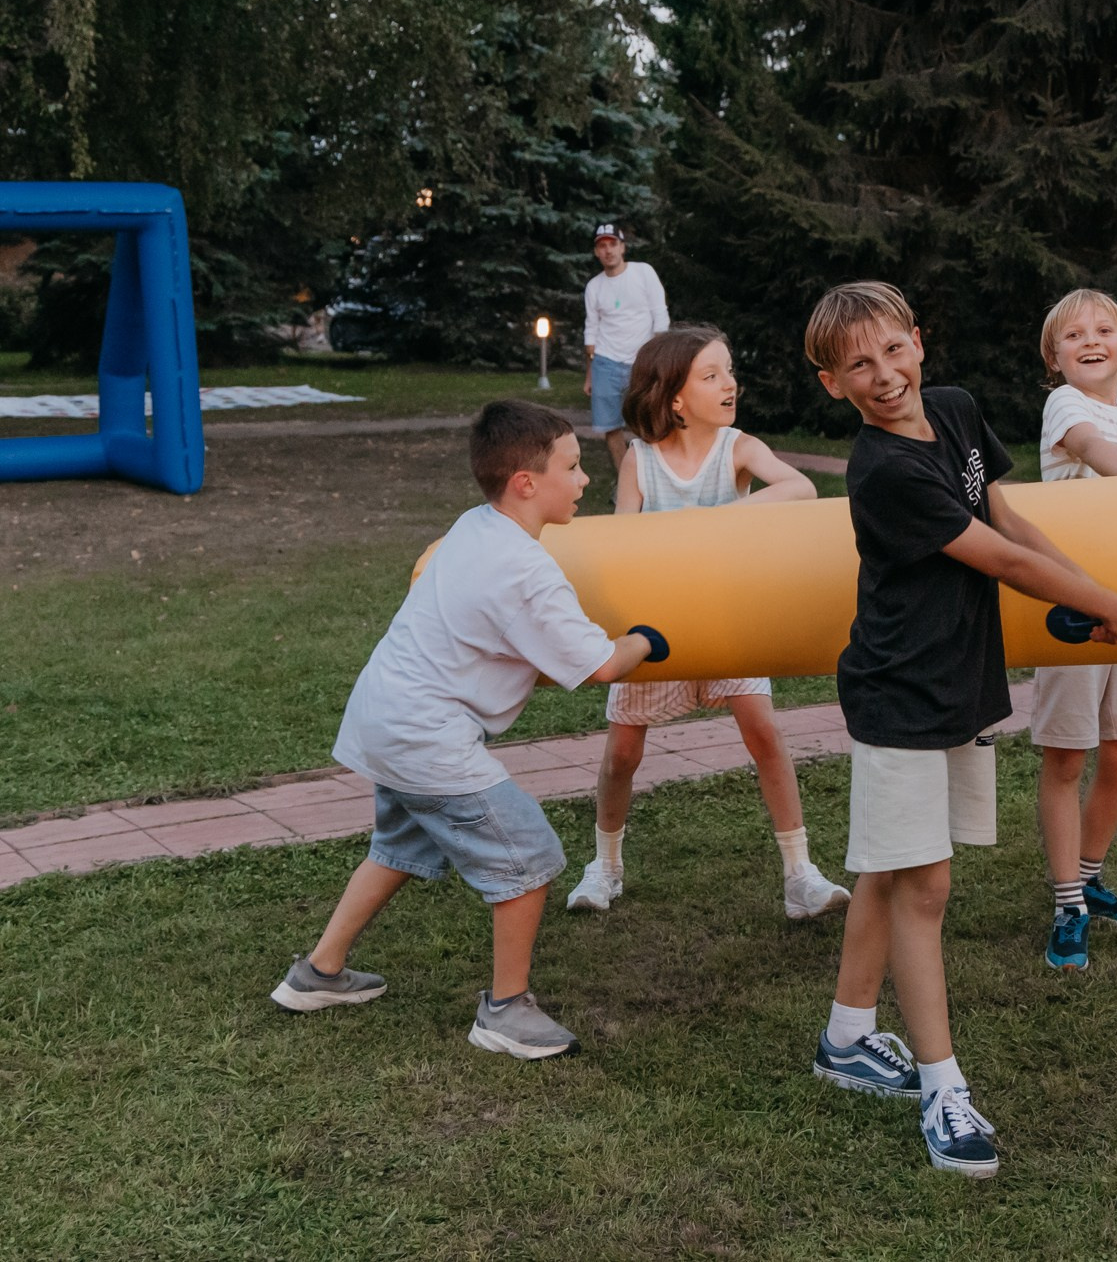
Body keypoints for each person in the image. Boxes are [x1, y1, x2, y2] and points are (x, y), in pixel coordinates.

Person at [802, 281, 1117, 1178]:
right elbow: (992, 556)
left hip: (958, 684)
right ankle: (942, 1086)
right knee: (924, 885)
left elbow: (1010, 516)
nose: (884, 375)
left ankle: (847, 1038)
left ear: (918, 341)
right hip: (900, 696)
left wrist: (1088, 597)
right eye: (858, 366)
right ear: (831, 384)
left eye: (893, 351)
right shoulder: (881, 470)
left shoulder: (957, 411)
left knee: (889, 866)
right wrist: (1109, 602)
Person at [269, 400, 665, 1061]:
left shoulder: (474, 526)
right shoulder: (528, 569)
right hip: (428, 736)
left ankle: (320, 971)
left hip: (383, 717)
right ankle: (506, 1011)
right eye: (573, 467)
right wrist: (645, 640)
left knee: (396, 847)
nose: (586, 479)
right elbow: (598, 665)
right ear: (526, 483)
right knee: (529, 857)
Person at [567, 324, 852, 920]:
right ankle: (605, 866)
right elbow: (621, 544)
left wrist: (729, 516)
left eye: (730, 372)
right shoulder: (640, 463)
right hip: (655, 630)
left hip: (729, 621)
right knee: (621, 755)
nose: (731, 384)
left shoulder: (739, 447)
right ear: (674, 397)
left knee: (766, 739)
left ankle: (800, 874)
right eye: (712, 375)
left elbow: (799, 488)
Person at [1029, 290, 1117, 973]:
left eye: (1105, 329)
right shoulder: (1067, 408)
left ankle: (1089, 874)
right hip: (1076, 608)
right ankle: (1066, 903)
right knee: (1067, 756)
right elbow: (1099, 458)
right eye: (1073, 334)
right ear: (1056, 357)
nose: (1091, 339)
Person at [582, 222, 670, 473]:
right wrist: (590, 373)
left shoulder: (643, 273)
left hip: (642, 362)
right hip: (605, 363)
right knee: (610, 427)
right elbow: (592, 328)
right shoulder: (594, 286)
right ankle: (625, 481)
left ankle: (655, 479)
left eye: (612, 244)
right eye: (602, 246)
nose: (608, 250)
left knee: (647, 422)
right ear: (596, 252)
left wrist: (656, 358)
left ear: (623, 247)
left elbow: (660, 316)